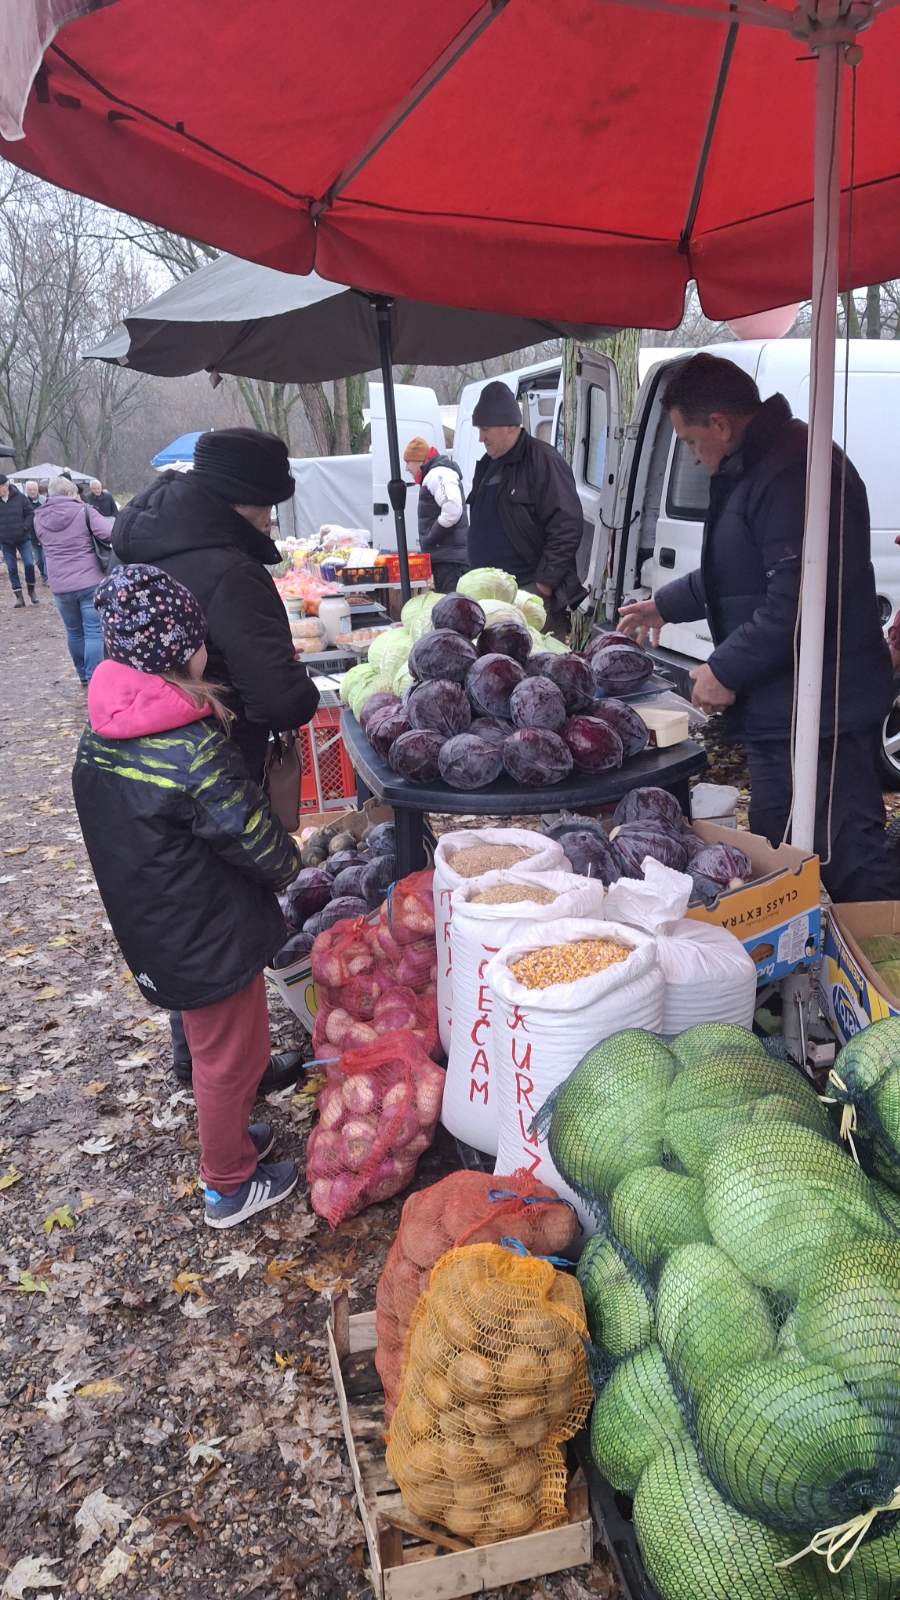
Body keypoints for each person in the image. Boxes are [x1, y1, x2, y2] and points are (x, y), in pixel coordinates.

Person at [618, 352, 900, 903]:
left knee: (845, 849)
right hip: (786, 705)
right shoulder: (756, 466)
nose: (695, 459)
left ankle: (874, 959)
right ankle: (811, 963)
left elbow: (798, 598)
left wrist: (724, 668)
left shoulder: (794, 473)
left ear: (721, 423)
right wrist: (665, 605)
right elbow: (737, 569)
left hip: (824, 711)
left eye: (692, 441)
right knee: (784, 841)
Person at [72, 564, 302, 1228]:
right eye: (199, 638)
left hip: (159, 924)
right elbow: (253, 836)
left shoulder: (102, 736)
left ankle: (227, 1140)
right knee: (230, 1058)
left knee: (221, 1048)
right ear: (179, 650)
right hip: (209, 932)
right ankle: (228, 1183)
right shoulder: (187, 748)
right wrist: (289, 861)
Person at [113, 427, 320, 1094]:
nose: (271, 518)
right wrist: (303, 683)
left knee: (192, 916)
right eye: (267, 504)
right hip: (217, 767)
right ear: (244, 499)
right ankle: (231, 1078)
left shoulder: (151, 545)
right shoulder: (231, 571)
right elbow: (279, 698)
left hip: (153, 765)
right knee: (228, 915)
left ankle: (199, 1058)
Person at [467, 380, 586, 636]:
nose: (481, 437)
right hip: (493, 599)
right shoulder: (488, 464)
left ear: (509, 426)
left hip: (529, 595)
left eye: (485, 429)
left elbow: (567, 524)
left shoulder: (543, 460)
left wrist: (544, 584)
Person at [35, 476, 113, 684]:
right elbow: (109, 534)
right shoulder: (85, 511)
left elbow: (42, 541)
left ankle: (82, 676)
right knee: (94, 631)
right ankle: (94, 678)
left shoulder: (39, 516)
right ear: (71, 493)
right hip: (89, 581)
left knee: (74, 632)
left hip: (60, 584)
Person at [403, 435, 469, 592]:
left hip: (451, 563)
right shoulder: (435, 475)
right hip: (449, 559)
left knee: (454, 610)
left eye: (408, 462)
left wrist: (430, 538)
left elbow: (452, 509)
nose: (406, 468)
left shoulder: (438, 474)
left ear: (419, 460)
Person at [0, 474, 38, 607]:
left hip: (23, 538)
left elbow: (30, 513)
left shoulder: (20, 498)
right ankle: (19, 597)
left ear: (6, 486)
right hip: (5, 541)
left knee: (28, 564)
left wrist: (25, 527)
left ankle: (31, 590)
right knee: (11, 568)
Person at [23, 480, 49, 586]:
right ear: (26, 490)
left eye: (34, 489)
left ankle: (47, 578)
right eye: (30, 490)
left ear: (38, 489)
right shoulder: (23, 501)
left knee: (46, 557)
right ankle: (43, 575)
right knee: (38, 560)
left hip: (44, 534)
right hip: (31, 535)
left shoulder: (44, 501)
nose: (32, 491)